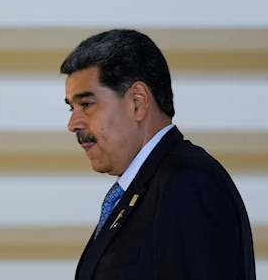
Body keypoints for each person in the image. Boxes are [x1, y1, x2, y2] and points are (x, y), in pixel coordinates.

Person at [60, 29, 256, 280]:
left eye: (86, 104)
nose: (73, 124)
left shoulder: (187, 185)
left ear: (138, 101)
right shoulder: (152, 186)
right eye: (71, 108)